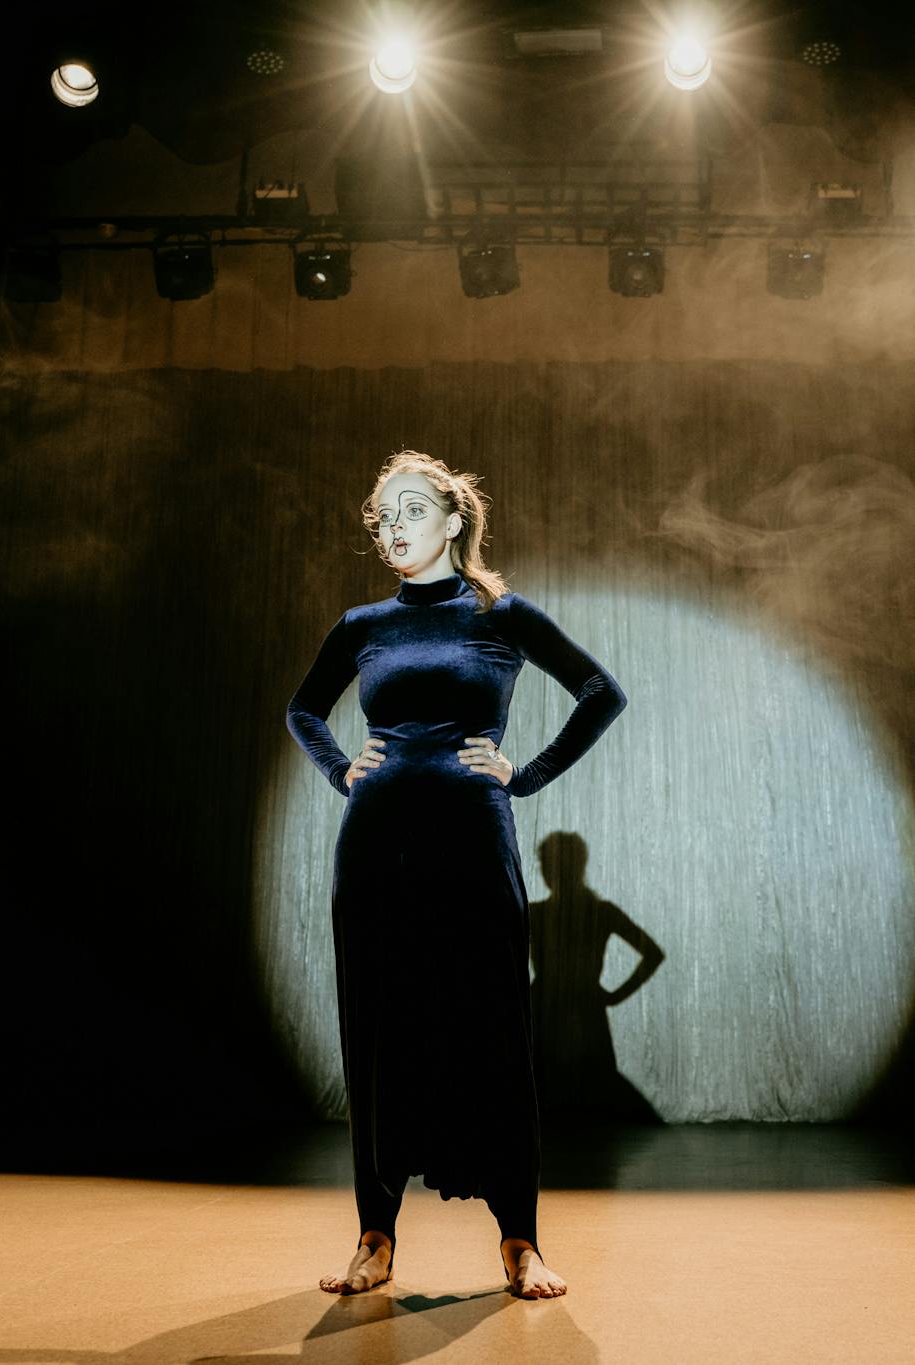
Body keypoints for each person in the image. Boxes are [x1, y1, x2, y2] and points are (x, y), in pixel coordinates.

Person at [285, 449, 628, 1300]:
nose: (394, 527)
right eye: (383, 516)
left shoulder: (501, 615)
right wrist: (337, 768)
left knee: (491, 1031)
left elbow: (600, 690)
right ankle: (375, 1237)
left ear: (452, 520)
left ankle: (520, 1239)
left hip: (473, 844)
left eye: (410, 510)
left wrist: (528, 772)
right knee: (377, 1030)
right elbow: (302, 708)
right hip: (375, 849)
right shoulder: (363, 624)